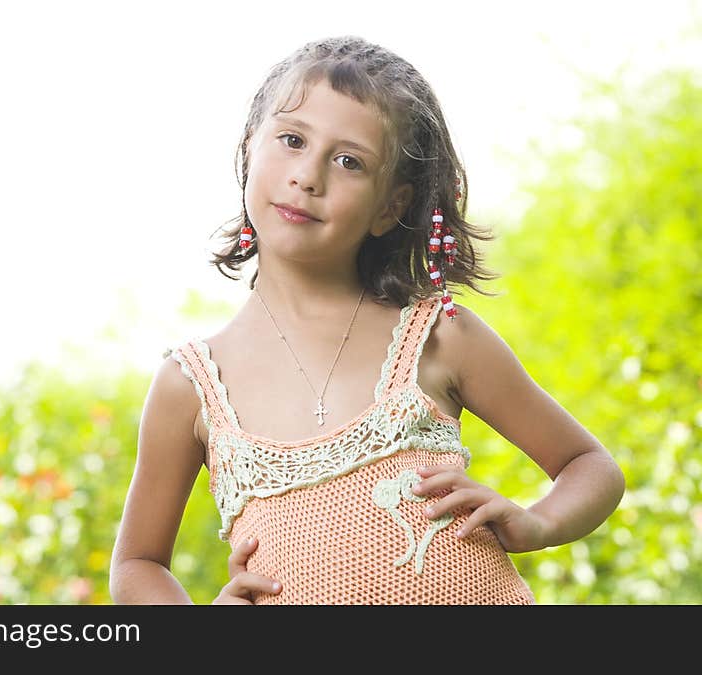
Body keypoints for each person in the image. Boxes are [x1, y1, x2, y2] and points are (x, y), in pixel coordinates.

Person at [108, 35, 625, 605]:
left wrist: (539, 524)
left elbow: (589, 464)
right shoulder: (191, 387)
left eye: (349, 161)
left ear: (390, 207)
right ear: (248, 149)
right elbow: (137, 563)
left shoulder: (441, 336)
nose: (308, 175)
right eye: (291, 140)